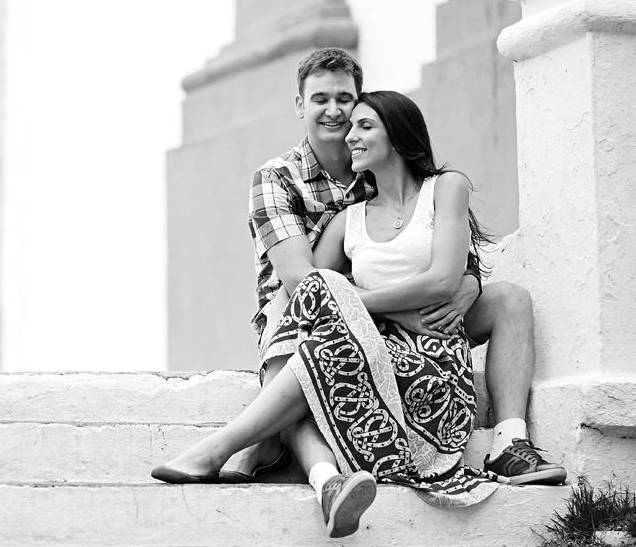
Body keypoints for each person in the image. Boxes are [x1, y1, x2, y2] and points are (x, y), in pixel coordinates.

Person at [153, 89, 502, 536]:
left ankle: (227, 447)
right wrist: (369, 308)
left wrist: (357, 300)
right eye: (351, 127)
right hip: (372, 377)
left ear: (398, 135)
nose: (350, 136)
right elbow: (308, 295)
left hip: (434, 377)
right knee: (315, 319)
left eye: (364, 126)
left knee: (324, 298)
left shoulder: (447, 187)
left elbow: (442, 281)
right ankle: (321, 480)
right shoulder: (347, 220)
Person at [237, 48, 564, 493]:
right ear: (300, 105)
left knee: (510, 298)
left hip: (402, 310)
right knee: (298, 327)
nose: (335, 112)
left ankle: (510, 443)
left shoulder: (383, 174)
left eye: (345, 100)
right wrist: (390, 312)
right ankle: (281, 452)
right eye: (319, 99)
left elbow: (435, 250)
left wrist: (469, 281)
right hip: (312, 316)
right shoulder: (279, 178)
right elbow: (302, 282)